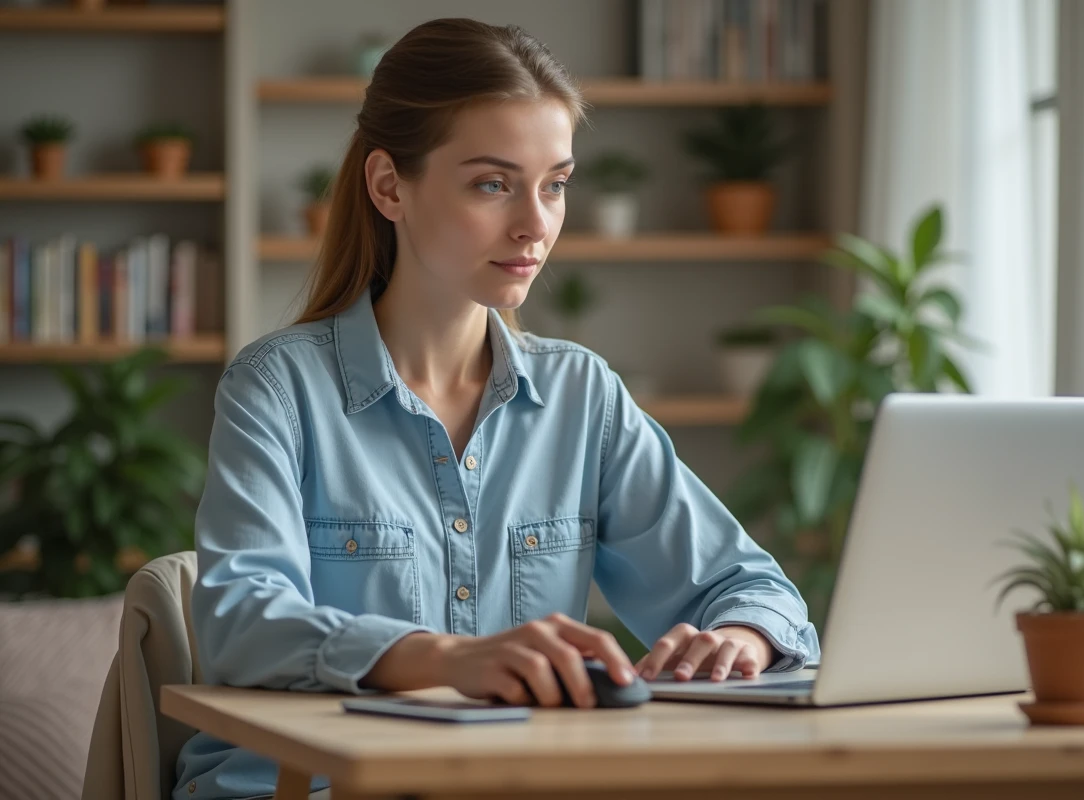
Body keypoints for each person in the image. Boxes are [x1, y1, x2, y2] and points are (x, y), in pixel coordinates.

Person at [174, 17, 820, 800]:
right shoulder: (276, 389)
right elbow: (244, 623)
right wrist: (445, 659)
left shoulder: (582, 397)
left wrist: (738, 638)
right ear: (389, 187)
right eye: (493, 183)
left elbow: (753, 586)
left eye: (555, 184)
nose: (536, 223)